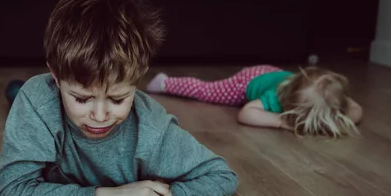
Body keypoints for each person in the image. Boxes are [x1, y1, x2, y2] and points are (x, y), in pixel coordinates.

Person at [0, 0, 238, 196]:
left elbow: (221, 177)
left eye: (117, 99)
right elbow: (13, 194)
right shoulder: (39, 102)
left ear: (136, 80)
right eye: (82, 98)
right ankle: (17, 95)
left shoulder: (151, 128)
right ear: (55, 77)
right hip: (38, 99)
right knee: (23, 95)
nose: (100, 116)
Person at [146, 65, 363, 137]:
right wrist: (282, 121)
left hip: (277, 74)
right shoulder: (277, 98)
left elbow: (356, 110)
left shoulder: (331, 98)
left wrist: (337, 117)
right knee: (208, 91)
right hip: (248, 81)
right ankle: (165, 83)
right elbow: (246, 113)